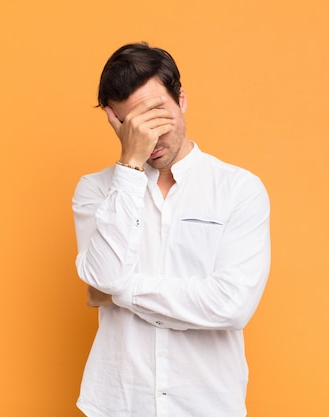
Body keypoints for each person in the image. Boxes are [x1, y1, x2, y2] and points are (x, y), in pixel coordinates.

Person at [72, 42, 271, 417]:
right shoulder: (95, 190)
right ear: (115, 122)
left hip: (207, 405)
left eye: (157, 115)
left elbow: (231, 305)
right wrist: (130, 164)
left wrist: (118, 293)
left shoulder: (239, 190)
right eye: (134, 124)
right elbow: (105, 274)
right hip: (117, 404)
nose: (151, 136)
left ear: (181, 99)